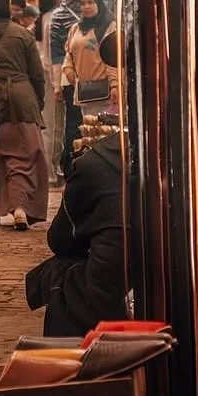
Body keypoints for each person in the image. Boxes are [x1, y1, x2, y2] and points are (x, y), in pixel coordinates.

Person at [24, 131, 127, 336]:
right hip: (159, 283)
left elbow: (61, 241)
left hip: (112, 293)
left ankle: (62, 362)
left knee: (58, 276)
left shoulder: (97, 162)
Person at [0, 0, 48, 232]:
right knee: (25, 157)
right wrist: (38, 100)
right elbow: (37, 75)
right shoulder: (22, 34)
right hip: (22, 98)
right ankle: (20, 207)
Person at [61, 0, 116, 175]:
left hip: (105, 93)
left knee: (104, 134)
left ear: (99, 4)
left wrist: (115, 84)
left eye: (90, 2)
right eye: (83, 3)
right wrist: (67, 69)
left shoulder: (109, 27)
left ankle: (105, 172)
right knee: (87, 134)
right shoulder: (75, 29)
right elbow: (68, 54)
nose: (86, 7)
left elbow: (112, 59)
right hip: (84, 91)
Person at [49, 0, 86, 178]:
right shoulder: (89, 11)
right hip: (89, 73)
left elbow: (55, 53)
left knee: (70, 122)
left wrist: (56, 84)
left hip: (67, 76)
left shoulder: (57, 15)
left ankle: (71, 163)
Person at [34, 0, 63, 179]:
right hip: (51, 75)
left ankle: (51, 167)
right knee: (52, 124)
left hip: (48, 74)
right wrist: (55, 81)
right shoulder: (53, 18)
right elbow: (50, 53)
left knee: (52, 123)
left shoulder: (43, 18)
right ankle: (49, 170)